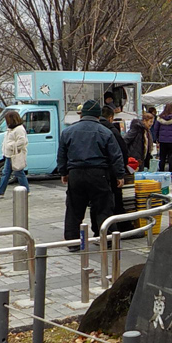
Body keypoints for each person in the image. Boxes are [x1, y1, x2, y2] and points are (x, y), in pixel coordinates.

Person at [57, 100, 125, 247]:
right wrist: (119, 175)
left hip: (75, 173)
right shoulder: (105, 132)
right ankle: (104, 239)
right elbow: (116, 155)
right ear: (98, 115)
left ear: (83, 114)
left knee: (74, 208)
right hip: (98, 173)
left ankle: (73, 242)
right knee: (102, 207)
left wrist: (63, 172)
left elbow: (62, 154)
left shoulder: (68, 131)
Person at [93, 105, 129, 233]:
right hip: (111, 171)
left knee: (97, 203)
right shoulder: (111, 131)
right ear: (111, 118)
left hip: (96, 172)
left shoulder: (94, 129)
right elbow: (121, 152)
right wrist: (121, 172)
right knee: (115, 201)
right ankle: (120, 228)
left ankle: (97, 229)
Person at [0, 110, 30, 198]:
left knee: (17, 173)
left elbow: (22, 141)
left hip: (14, 155)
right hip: (9, 154)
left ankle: (1, 191)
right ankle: (1, 191)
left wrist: (10, 146)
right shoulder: (11, 129)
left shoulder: (19, 129)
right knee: (10, 173)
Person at [156, 104, 172, 172]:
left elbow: (156, 129)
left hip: (162, 140)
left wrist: (157, 138)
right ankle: (171, 171)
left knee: (162, 156)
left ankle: (161, 170)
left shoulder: (159, 119)